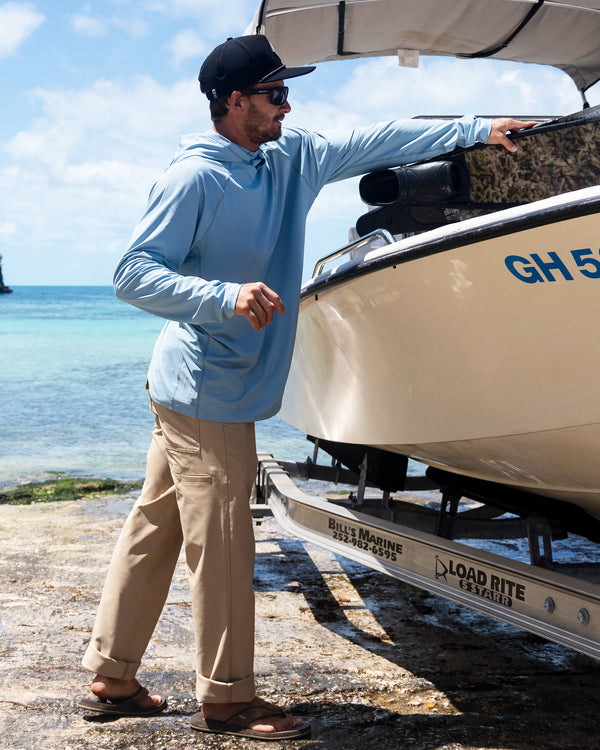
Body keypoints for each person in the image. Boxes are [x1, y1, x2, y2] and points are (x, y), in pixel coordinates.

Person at [78, 34, 535, 741]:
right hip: (205, 389)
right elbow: (133, 274)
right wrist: (223, 296)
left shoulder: (289, 157)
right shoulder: (194, 179)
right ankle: (227, 700)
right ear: (234, 103)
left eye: (287, 94)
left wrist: (481, 128)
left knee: (155, 525)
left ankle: (112, 675)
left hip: (203, 388)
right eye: (274, 95)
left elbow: (378, 137)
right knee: (225, 543)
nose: (287, 107)